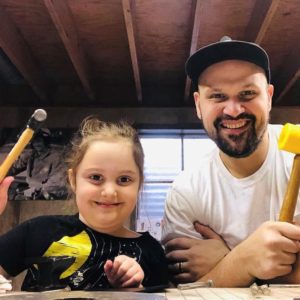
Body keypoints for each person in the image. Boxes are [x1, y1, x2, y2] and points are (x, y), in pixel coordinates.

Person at [161, 36, 300, 287]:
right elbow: (186, 294)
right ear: (198, 104)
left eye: (247, 93)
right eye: (217, 96)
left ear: (268, 97)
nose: (233, 110)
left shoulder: (295, 154)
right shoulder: (186, 192)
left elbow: (207, 284)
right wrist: (247, 260)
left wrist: (232, 260)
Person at [0, 118, 169, 291]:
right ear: (73, 180)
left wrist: (135, 289)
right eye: (96, 177)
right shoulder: (37, 231)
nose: (110, 191)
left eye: (124, 179)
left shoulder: (152, 252)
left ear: (139, 184)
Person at [8, 128, 68, 200]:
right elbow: (15, 167)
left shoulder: (56, 157)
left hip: (50, 193)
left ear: (46, 142)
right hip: (33, 190)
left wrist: (38, 190)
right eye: (34, 141)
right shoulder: (31, 155)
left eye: (39, 141)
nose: (36, 144)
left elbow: (57, 182)